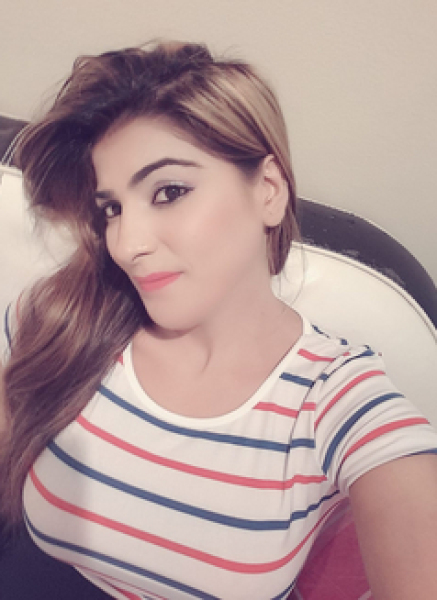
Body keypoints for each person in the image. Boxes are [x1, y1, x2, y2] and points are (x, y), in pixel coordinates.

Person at [1, 40, 437, 600]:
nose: (127, 245)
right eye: (112, 208)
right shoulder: (64, 319)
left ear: (269, 191)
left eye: (169, 191)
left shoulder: (335, 400)